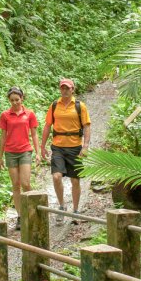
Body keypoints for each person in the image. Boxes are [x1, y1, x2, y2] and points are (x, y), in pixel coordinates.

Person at [39, 78, 91, 221]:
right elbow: (47, 126)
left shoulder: (80, 106)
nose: (65, 90)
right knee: (56, 177)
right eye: (63, 88)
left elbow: (87, 126)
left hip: (75, 147)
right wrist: (42, 146)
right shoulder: (55, 105)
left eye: (68, 88)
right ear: (60, 89)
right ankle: (61, 206)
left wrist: (85, 146)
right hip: (58, 147)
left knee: (75, 180)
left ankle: (75, 210)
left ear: (72, 89)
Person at [0, 86, 40, 225]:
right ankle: (21, 217)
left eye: (17, 99)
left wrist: (38, 152)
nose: (15, 102)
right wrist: (0, 156)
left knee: (25, 183)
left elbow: (34, 134)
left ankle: (33, 211)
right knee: (15, 185)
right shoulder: (5, 115)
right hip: (10, 152)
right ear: (9, 101)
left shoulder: (29, 114)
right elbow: (3, 136)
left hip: (25, 151)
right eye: (12, 100)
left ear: (22, 98)